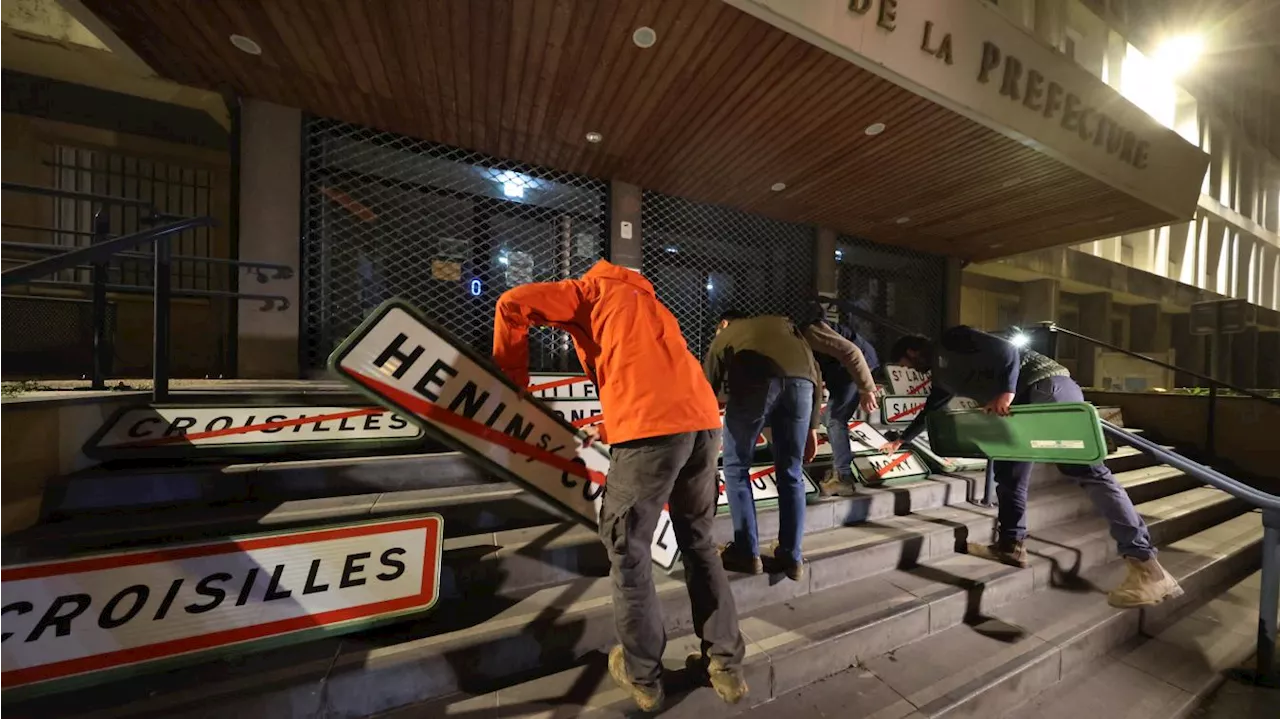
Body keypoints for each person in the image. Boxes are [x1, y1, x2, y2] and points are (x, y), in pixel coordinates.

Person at [493, 260, 748, 712]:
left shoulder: (588, 290)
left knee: (628, 553)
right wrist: (613, 425)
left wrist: (513, 382)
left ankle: (643, 676)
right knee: (700, 543)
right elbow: (651, 374)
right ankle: (725, 664)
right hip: (705, 424)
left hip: (653, 429)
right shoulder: (652, 304)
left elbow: (512, 305)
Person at [879, 326, 1183, 608]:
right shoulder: (943, 378)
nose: (907, 370)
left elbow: (1007, 352)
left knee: (1087, 472)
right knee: (1009, 475)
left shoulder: (952, 339)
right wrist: (901, 440)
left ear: (914, 351)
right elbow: (931, 410)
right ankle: (1011, 545)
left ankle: (1147, 569)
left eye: (905, 363)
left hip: (1045, 387)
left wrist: (1006, 392)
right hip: (1020, 407)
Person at [703, 310, 821, 581]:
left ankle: (747, 552)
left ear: (723, 324)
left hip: (757, 382)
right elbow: (815, 371)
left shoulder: (729, 333)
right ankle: (792, 556)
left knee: (735, 466)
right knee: (791, 471)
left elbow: (706, 383)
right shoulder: (788, 329)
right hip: (803, 387)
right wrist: (813, 427)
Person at [795, 301, 880, 497]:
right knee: (831, 418)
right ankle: (840, 471)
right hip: (844, 371)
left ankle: (843, 477)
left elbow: (852, 353)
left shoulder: (810, 331)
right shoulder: (807, 332)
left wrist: (866, 388)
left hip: (855, 369)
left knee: (835, 419)